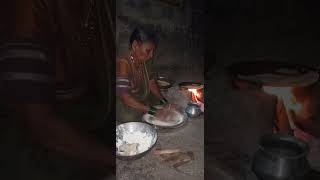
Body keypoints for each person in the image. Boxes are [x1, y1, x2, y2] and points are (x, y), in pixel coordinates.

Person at [0, 0, 115, 179]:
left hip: (86, 131)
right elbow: (40, 123)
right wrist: (116, 159)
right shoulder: (29, 11)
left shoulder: (95, 9)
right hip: (38, 152)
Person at [116, 27, 172, 122]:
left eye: (153, 51)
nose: (151, 55)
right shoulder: (123, 63)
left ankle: (145, 108)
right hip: (124, 101)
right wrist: (153, 111)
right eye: (148, 50)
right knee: (129, 117)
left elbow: (151, 82)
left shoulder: (145, 60)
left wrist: (164, 101)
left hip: (141, 96)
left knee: (160, 103)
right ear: (135, 46)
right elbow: (125, 97)